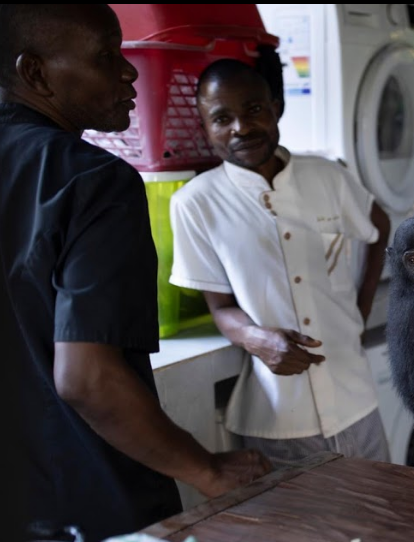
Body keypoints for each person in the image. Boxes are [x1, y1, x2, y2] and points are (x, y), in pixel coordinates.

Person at [0, 5, 272, 541]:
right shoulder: (93, 181)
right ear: (34, 72)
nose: (129, 72)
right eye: (107, 56)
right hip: (87, 505)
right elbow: (87, 378)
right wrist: (207, 471)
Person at [169, 59, 393, 469]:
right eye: (222, 118)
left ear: (276, 108)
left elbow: (378, 225)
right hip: (279, 416)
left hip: (355, 398)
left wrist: (357, 315)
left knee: (386, 522)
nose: (241, 127)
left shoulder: (327, 177)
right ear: (205, 128)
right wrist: (256, 339)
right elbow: (219, 307)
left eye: (254, 109)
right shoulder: (195, 203)